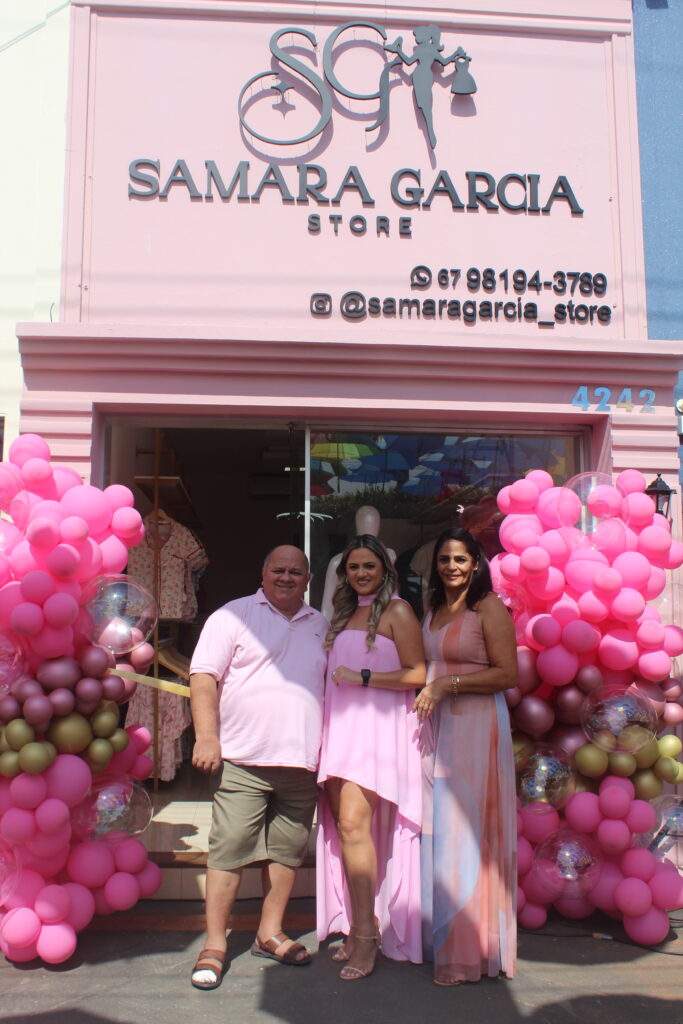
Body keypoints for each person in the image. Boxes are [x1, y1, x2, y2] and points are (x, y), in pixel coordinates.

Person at [189, 545, 327, 990]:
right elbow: (203, 677)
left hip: (302, 761)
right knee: (229, 849)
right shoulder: (232, 616)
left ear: (308, 579)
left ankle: (270, 933)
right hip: (242, 759)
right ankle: (215, 944)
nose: (286, 577)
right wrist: (207, 736)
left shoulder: (321, 624)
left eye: (296, 572)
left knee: (287, 852)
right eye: (278, 570)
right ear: (262, 573)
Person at [316, 534, 426, 980]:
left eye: (369, 566)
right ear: (344, 573)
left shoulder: (398, 611)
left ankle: (365, 935)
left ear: (385, 570)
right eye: (354, 567)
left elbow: (418, 673)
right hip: (340, 730)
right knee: (346, 830)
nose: (361, 573)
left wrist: (363, 676)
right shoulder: (343, 613)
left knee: (352, 825)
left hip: (377, 734)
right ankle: (360, 924)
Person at [414, 527, 517, 986]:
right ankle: (439, 939)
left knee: (466, 831)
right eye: (444, 559)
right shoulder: (433, 607)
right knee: (437, 830)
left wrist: (446, 684)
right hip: (436, 727)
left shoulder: (487, 607)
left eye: (460, 559)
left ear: (476, 563)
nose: (451, 567)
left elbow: (507, 673)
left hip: (475, 725)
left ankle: (467, 952)